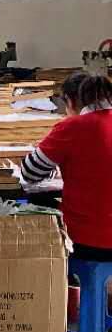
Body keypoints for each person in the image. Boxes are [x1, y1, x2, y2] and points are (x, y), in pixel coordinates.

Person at [21, 72, 112, 261]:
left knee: (36, 201)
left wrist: (54, 168)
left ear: (70, 101)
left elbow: (30, 172)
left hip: (89, 238)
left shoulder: (73, 126)